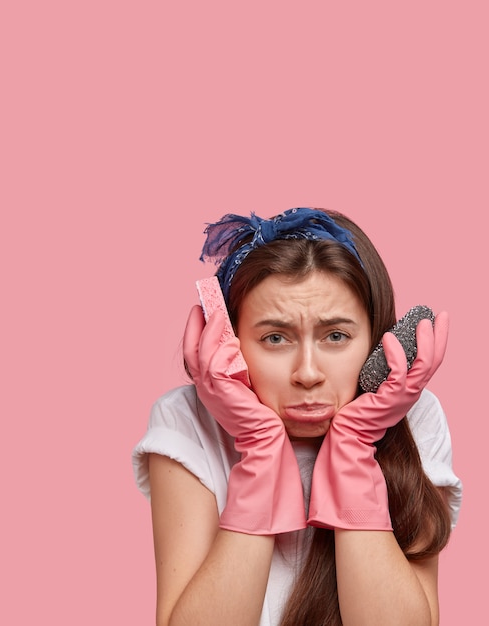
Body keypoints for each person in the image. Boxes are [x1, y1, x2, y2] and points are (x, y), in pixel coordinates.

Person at [132, 207, 462, 626]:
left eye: (336, 336)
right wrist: (261, 452)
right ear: (228, 341)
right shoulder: (185, 419)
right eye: (275, 338)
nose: (308, 373)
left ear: (377, 342)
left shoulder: (416, 418)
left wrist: (354, 450)